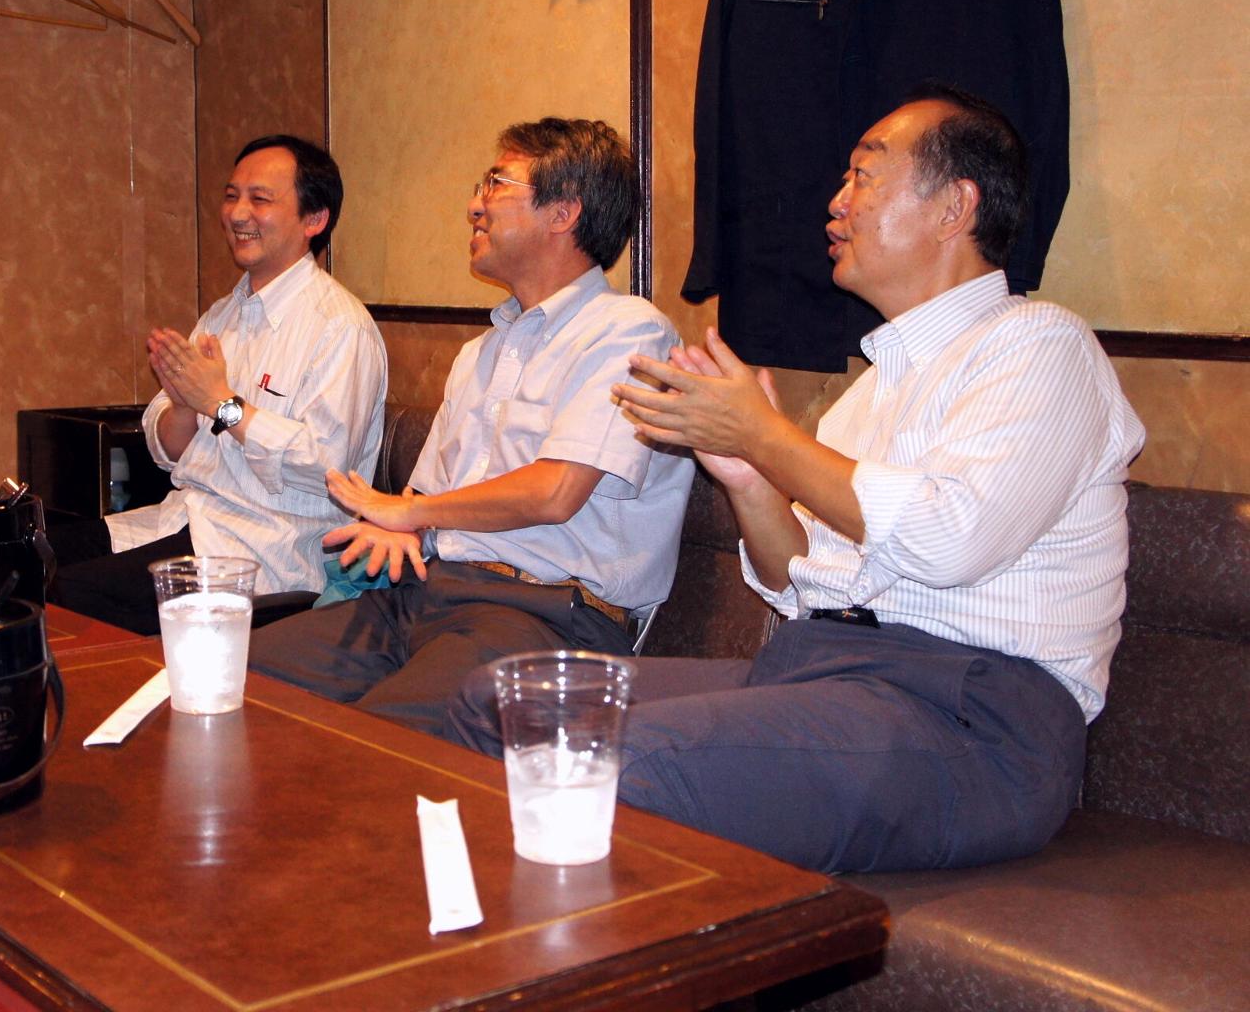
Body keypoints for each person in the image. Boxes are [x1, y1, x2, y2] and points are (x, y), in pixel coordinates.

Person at [449, 86, 1146, 874]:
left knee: (612, 768)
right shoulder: (870, 393)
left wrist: (765, 436)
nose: (836, 202)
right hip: (822, 672)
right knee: (500, 703)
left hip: (973, 717)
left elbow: (952, 540)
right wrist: (749, 478)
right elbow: (794, 583)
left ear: (954, 207)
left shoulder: (1041, 345)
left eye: (863, 176)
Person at [249, 117, 694, 739]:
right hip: (425, 595)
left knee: (377, 746)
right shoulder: (479, 353)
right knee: (231, 681)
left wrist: (412, 512)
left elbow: (556, 492)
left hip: (546, 617)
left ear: (563, 212)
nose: (473, 205)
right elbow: (423, 501)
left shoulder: (628, 332)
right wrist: (395, 524)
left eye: (496, 184)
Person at [45, 135, 388, 634]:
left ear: (314, 219)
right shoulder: (222, 314)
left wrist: (221, 403)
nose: (238, 213)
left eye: (260, 199)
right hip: (185, 518)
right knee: (23, 560)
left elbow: (328, 470)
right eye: (232, 196)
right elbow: (168, 452)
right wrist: (185, 405)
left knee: (65, 599)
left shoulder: (341, 327)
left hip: (269, 550)